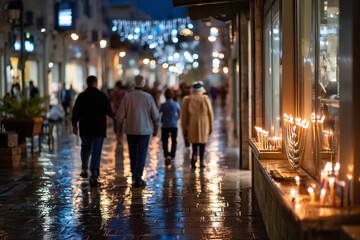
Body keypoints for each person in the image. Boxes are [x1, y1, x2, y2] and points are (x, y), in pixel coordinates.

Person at [116, 75, 159, 188]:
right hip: (144, 130)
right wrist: (156, 128)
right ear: (144, 86)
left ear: (134, 85)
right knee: (142, 153)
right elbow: (155, 115)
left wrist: (118, 130)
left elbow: (120, 116)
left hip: (130, 129)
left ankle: (135, 176)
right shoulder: (148, 97)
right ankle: (138, 176)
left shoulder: (127, 97)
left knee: (133, 153)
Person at [72, 76, 114, 187]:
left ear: (87, 83)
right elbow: (109, 112)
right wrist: (118, 116)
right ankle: (94, 176)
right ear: (96, 83)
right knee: (96, 152)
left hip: (85, 128)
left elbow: (75, 112)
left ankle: (85, 168)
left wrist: (74, 125)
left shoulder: (81, 96)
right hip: (99, 129)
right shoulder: (102, 96)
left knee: (85, 148)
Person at [181, 81, 214, 168]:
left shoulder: (187, 99)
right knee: (202, 143)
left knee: (194, 143)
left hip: (192, 124)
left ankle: (194, 156)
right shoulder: (205, 98)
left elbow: (184, 115)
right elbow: (210, 113)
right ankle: (201, 161)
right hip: (204, 124)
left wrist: (184, 127)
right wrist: (211, 126)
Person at [159, 89, 181, 166]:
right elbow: (179, 113)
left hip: (165, 125)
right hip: (174, 125)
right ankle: (172, 156)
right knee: (174, 141)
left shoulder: (163, 105)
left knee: (165, 140)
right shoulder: (176, 104)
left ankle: (166, 155)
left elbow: (158, 112)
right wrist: (176, 118)